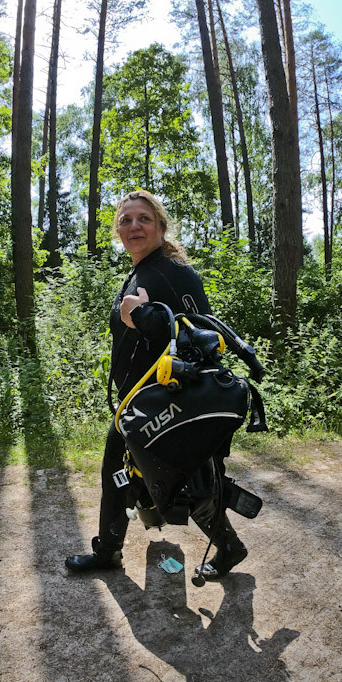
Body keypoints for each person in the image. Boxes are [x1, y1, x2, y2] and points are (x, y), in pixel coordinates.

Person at [65, 190, 247, 579]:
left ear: (161, 228)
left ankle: (110, 552)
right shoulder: (140, 270)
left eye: (144, 219)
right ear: (118, 230)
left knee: (182, 480)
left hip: (168, 400)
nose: (134, 226)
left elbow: (205, 336)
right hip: (138, 398)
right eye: (126, 219)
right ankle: (114, 550)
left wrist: (145, 317)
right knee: (151, 476)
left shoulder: (173, 271)